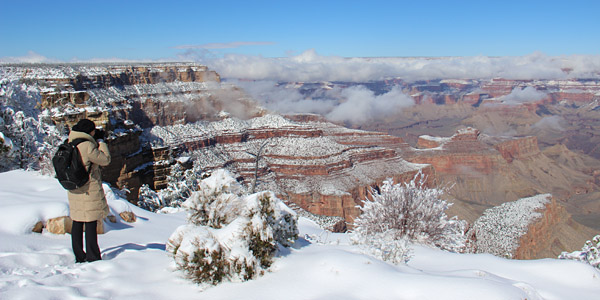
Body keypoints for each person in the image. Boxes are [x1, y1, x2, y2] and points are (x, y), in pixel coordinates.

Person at [67, 119, 111, 263]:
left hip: (74, 189)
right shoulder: (87, 145)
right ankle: (93, 256)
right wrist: (101, 141)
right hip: (88, 189)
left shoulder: (70, 141)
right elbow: (105, 160)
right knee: (91, 223)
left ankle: (79, 256)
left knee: (77, 222)